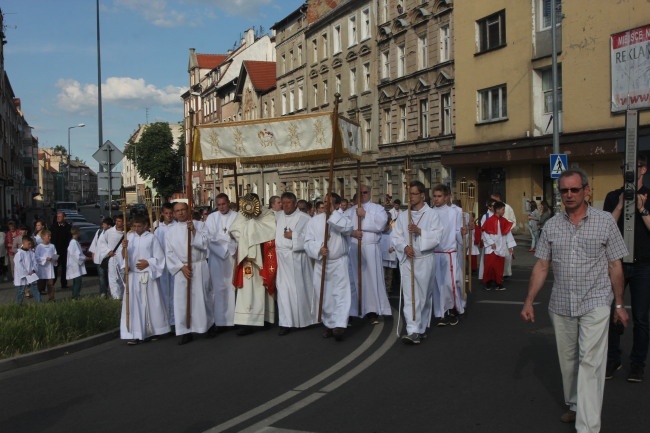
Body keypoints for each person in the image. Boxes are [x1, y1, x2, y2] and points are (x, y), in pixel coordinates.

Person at [521, 169, 629, 432]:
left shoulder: (605, 222)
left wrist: (618, 304)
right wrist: (528, 301)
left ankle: (588, 427)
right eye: (564, 191)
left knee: (590, 363)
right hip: (561, 304)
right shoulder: (552, 225)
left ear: (586, 191)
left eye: (574, 190)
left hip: (596, 302)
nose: (569, 195)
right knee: (568, 361)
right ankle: (575, 404)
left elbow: (615, 265)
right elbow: (542, 266)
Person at [604, 154, 650, 383]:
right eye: (625, 167)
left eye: (635, 167)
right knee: (612, 312)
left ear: (644, 170)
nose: (629, 171)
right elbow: (606, 228)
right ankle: (613, 358)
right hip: (618, 262)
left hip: (644, 265)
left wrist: (642, 210)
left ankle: (638, 364)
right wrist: (621, 205)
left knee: (641, 317)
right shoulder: (613, 196)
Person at [392, 181, 443, 344]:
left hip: (425, 259)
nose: (410, 197)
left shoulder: (432, 214)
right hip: (408, 260)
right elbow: (396, 236)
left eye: (414, 194)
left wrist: (419, 231)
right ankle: (412, 329)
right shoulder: (403, 215)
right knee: (410, 296)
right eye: (409, 194)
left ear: (422, 195)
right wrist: (405, 247)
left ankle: (421, 328)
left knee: (423, 295)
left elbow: (437, 237)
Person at [305, 193, 353, 340]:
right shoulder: (314, 221)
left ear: (337, 205)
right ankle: (329, 324)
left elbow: (347, 229)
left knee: (340, 294)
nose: (326, 204)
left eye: (330, 203)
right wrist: (319, 249)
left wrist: (333, 215)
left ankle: (339, 324)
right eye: (325, 202)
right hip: (322, 263)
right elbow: (307, 242)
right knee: (324, 295)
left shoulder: (343, 219)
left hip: (339, 262)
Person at [165, 202, 214, 345]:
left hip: (199, 266)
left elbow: (205, 243)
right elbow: (169, 253)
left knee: (203, 297)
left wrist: (193, 231)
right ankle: (185, 331)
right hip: (182, 269)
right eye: (177, 211)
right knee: (182, 301)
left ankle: (209, 325)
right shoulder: (170, 231)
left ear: (188, 211)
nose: (180, 213)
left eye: (183, 210)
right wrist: (181, 267)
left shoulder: (199, 225)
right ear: (173, 214)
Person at [229, 193, 277, 335]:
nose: (251, 204)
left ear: (258, 201)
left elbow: (271, 230)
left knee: (262, 287)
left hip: (262, 257)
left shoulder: (267, 214)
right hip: (247, 258)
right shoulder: (241, 214)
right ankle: (246, 321)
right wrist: (249, 228)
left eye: (253, 201)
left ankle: (265, 319)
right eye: (248, 201)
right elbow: (233, 230)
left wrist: (252, 226)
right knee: (247, 290)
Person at [118, 215, 170, 345]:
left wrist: (148, 263)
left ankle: (152, 330)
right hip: (134, 276)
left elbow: (159, 257)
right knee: (134, 305)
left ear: (145, 225)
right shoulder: (129, 238)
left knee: (150, 303)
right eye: (134, 226)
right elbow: (124, 258)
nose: (136, 228)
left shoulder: (152, 238)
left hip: (148, 276)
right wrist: (124, 249)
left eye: (139, 226)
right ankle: (135, 333)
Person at [275, 192, 316, 335]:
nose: (285, 206)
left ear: (295, 203)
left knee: (299, 291)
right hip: (282, 259)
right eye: (283, 203)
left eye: (288, 203)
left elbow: (312, 237)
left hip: (298, 259)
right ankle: (285, 323)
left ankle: (305, 319)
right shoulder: (278, 217)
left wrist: (295, 236)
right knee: (283, 291)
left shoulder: (305, 218)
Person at [349, 185, 391, 324]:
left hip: (371, 248)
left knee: (372, 280)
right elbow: (343, 227)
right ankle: (355, 308)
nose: (363, 195)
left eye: (365, 192)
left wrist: (365, 215)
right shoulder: (350, 211)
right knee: (355, 279)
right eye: (360, 193)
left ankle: (372, 310)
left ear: (370, 193)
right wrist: (353, 232)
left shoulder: (377, 209)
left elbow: (381, 224)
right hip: (355, 248)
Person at [430, 184, 465, 326]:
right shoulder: (430, 212)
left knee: (449, 284)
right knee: (437, 285)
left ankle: (452, 309)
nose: (436, 199)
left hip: (448, 253)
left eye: (439, 196)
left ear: (446, 197)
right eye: (435, 196)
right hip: (433, 252)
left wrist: (463, 233)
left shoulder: (454, 212)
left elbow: (457, 231)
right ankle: (440, 313)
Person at [205, 193, 238, 331]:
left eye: (224, 204)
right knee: (218, 288)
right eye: (218, 205)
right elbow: (209, 238)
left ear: (228, 203)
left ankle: (233, 320)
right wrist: (227, 240)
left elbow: (239, 234)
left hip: (232, 257)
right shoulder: (212, 218)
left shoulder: (236, 216)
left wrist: (227, 241)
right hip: (216, 258)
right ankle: (219, 320)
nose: (221, 207)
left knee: (231, 287)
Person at [481, 202, 516, 291]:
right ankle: (488, 283)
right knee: (490, 266)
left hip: (501, 247)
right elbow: (485, 233)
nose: (504, 211)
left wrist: (510, 246)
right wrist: (490, 242)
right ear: (497, 210)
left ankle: (499, 283)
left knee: (499, 266)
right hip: (491, 248)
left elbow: (508, 233)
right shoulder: (489, 220)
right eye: (503, 209)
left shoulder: (504, 221)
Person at [154, 203, 176, 328]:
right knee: (164, 292)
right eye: (166, 213)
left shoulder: (177, 227)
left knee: (175, 292)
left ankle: (175, 320)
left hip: (175, 264)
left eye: (171, 213)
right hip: (163, 265)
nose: (169, 216)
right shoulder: (158, 230)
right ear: (162, 214)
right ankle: (166, 320)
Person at [99, 214, 126, 300]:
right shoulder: (109, 232)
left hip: (122, 259)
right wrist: (108, 251)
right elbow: (102, 243)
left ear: (123, 222)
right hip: (112, 258)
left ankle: (123, 296)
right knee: (113, 278)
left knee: (123, 278)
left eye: (120, 221)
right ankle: (116, 297)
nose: (118, 223)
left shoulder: (127, 233)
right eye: (117, 221)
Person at [490, 192, 516, 277]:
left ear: (498, 197)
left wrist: (505, 228)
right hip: (494, 236)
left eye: (493, 199)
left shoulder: (508, 208)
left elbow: (513, 221)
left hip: (505, 234)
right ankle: (496, 273)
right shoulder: (491, 208)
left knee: (507, 256)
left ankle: (505, 273)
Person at [89, 217, 113, 298]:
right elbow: (94, 244)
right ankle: (103, 292)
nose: (103, 225)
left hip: (108, 258)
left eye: (104, 224)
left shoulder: (112, 233)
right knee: (102, 277)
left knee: (110, 276)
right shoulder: (99, 232)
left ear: (109, 225)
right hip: (99, 259)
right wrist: (93, 253)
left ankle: (110, 291)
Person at [13, 235, 41, 304]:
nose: (30, 245)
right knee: (21, 291)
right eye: (29, 244)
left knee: (35, 289)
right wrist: (26, 273)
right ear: (24, 243)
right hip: (23, 276)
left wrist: (33, 270)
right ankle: (17, 305)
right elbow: (19, 265)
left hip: (31, 274)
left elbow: (35, 262)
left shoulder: (31, 252)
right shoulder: (19, 254)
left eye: (31, 244)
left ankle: (40, 303)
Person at [50, 212, 72, 289]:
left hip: (65, 251)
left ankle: (64, 283)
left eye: (60, 216)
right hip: (55, 252)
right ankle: (52, 284)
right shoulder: (53, 227)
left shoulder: (68, 227)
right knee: (54, 267)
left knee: (64, 268)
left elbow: (69, 239)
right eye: (57, 216)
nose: (58, 218)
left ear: (64, 218)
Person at [35, 229, 57, 302]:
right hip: (42, 268)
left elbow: (55, 255)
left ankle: (51, 298)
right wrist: (45, 259)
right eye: (48, 236)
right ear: (43, 237)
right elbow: (37, 257)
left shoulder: (52, 246)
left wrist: (54, 259)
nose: (50, 237)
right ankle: (38, 299)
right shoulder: (39, 247)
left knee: (50, 284)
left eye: (50, 236)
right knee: (40, 285)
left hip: (50, 268)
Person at [66, 227, 87, 300]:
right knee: (77, 282)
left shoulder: (74, 242)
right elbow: (76, 255)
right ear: (77, 233)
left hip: (75, 265)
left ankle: (75, 295)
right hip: (75, 265)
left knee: (77, 281)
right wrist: (84, 258)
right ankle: (75, 296)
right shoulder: (73, 242)